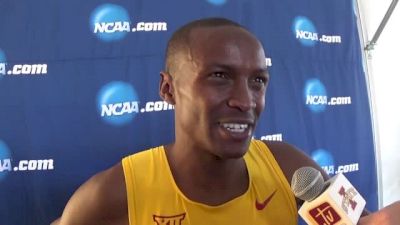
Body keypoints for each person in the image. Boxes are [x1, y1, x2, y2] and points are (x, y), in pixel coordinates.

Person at [52, 17, 400, 225]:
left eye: (258, 81)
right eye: (219, 76)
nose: (245, 100)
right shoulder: (114, 194)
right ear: (168, 89)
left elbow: (361, 221)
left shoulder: (288, 167)